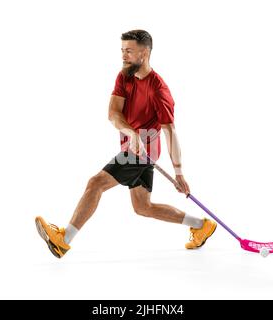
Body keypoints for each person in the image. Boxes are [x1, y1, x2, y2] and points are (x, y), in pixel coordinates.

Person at [35, 29, 217, 259]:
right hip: (133, 145)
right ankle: (202, 226)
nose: (123, 56)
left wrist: (179, 173)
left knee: (96, 183)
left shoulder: (159, 90)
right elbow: (113, 113)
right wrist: (131, 134)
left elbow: (169, 132)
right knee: (143, 207)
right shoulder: (124, 77)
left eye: (129, 51)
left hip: (146, 149)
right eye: (122, 51)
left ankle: (64, 240)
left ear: (145, 53)